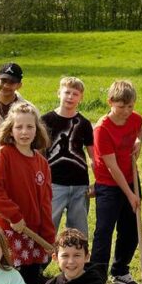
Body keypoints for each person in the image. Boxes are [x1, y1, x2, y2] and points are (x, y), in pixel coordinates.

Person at [0, 102, 55, 284]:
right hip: (10, 231)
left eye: (30, 126)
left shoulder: (41, 163)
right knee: (10, 283)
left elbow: (45, 203)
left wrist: (49, 236)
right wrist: (14, 216)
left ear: (37, 130)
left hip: (34, 234)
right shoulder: (4, 155)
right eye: (19, 127)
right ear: (10, 130)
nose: (24, 132)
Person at [90, 80, 142, 284]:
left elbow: (138, 132)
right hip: (108, 183)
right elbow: (112, 167)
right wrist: (130, 195)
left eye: (130, 106)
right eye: (121, 107)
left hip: (131, 178)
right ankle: (97, 277)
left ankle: (120, 271)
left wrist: (139, 142)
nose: (126, 111)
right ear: (110, 102)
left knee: (130, 228)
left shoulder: (135, 119)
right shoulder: (102, 128)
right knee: (104, 229)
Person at [42, 77, 95, 237]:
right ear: (59, 93)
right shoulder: (46, 120)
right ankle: (43, 260)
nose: (70, 97)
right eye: (67, 92)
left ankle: (77, 260)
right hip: (54, 184)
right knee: (48, 228)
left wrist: (97, 181)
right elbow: (39, 153)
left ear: (81, 98)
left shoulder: (84, 123)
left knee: (78, 232)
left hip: (79, 185)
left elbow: (93, 155)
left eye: (75, 94)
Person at [0, 62, 29, 132]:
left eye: (11, 82)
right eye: (3, 81)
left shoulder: (30, 110)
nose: (6, 86)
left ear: (19, 85)